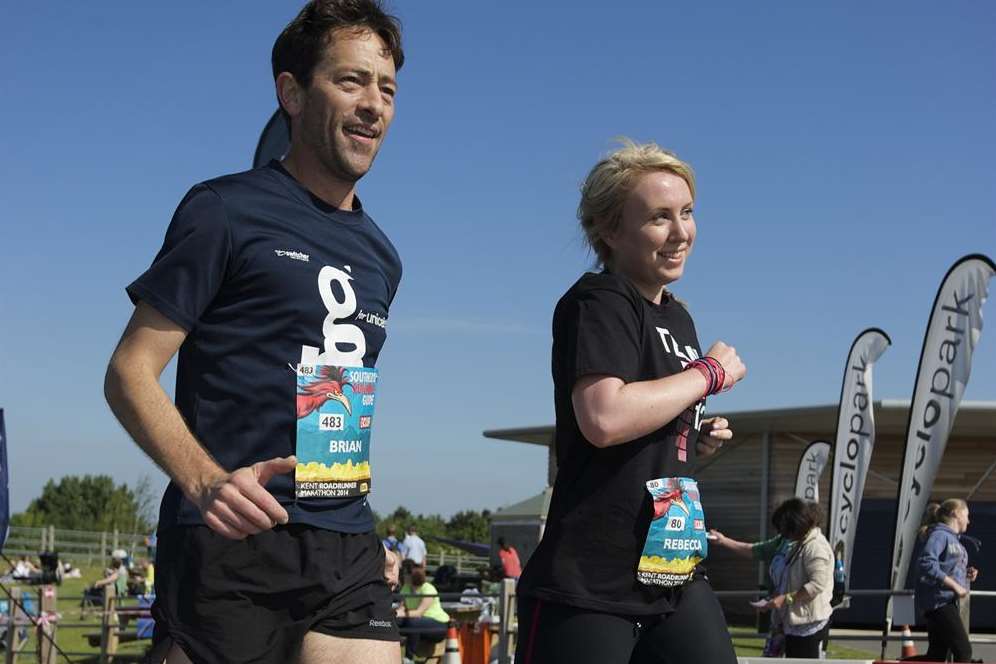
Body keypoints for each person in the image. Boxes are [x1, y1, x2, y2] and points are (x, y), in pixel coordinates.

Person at [103, 2, 405, 662]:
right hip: (230, 539)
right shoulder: (223, 209)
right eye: (350, 81)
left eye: (386, 88)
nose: (373, 105)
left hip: (345, 540)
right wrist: (205, 481)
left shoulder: (383, 255)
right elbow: (129, 371)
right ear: (291, 93)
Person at [514, 140, 747, 664]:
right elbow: (604, 416)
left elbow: (647, 419)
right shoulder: (599, 301)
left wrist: (691, 439)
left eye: (686, 213)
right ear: (610, 231)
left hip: (671, 569)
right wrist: (708, 374)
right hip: (590, 582)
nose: (681, 232)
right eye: (659, 218)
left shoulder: (678, 317)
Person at [756, 499, 834, 659]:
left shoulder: (815, 547)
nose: (782, 534)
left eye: (784, 530)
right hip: (793, 624)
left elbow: (817, 585)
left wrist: (786, 599)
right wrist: (775, 599)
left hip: (810, 626)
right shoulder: (799, 544)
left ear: (795, 526)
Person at [709, 511, 794, 656]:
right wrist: (723, 541)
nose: (780, 532)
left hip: (799, 622)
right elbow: (753, 550)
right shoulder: (781, 542)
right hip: (780, 619)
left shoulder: (809, 547)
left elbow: (814, 586)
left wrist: (784, 599)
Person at [906, 498, 979, 663]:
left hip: (944, 602)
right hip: (939, 603)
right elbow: (926, 563)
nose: (969, 520)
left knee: (936, 656)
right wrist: (955, 586)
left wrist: (966, 575)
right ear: (955, 514)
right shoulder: (940, 535)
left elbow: (946, 568)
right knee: (964, 651)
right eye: (966, 515)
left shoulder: (954, 540)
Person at [396, 565, 449, 661]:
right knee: (393, 621)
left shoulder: (428, 589)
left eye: (405, 574)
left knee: (413, 622)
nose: (402, 576)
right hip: (415, 622)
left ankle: (408, 659)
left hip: (438, 625)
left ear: (412, 577)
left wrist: (398, 614)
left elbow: (419, 613)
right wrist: (393, 615)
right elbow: (402, 608)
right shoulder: (406, 588)